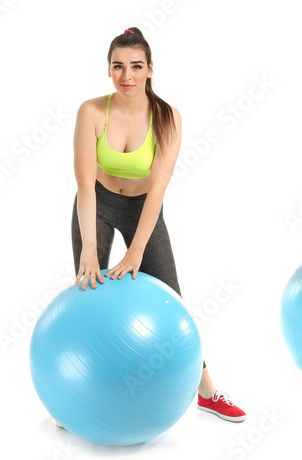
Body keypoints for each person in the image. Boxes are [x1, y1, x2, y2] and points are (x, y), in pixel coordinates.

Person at [70, 27, 245, 424]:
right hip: (95, 203)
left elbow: (159, 188)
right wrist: (90, 249)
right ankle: (79, 393)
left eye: (135, 67)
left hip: (142, 208)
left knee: (172, 297)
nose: (126, 76)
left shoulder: (167, 117)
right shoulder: (91, 111)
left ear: (150, 69)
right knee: (88, 290)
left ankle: (207, 391)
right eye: (118, 67)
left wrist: (135, 252)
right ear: (108, 70)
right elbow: (84, 183)